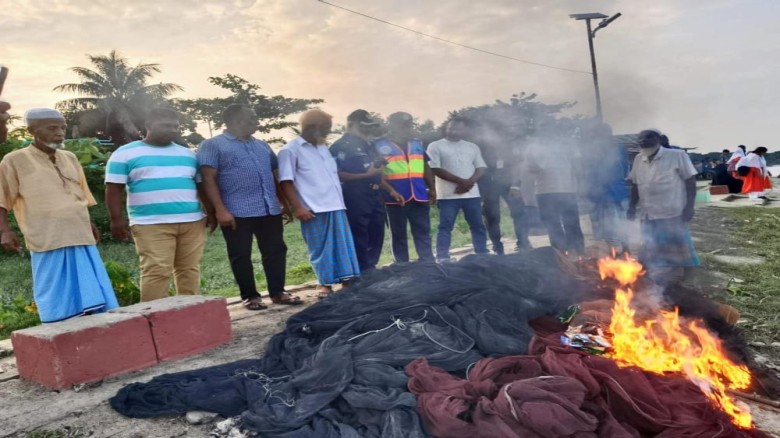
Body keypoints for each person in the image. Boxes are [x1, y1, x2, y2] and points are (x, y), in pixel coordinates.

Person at [0, 108, 118, 322]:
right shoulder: (14, 160)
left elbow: (80, 194)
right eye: (52, 128)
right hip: (46, 237)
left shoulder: (70, 157)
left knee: (90, 286)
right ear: (33, 130)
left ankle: (93, 325)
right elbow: (2, 199)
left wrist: (89, 223)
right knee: (53, 288)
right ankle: (56, 326)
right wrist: (5, 231)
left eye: (62, 127)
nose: (60, 133)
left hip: (79, 233)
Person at [197, 104, 301, 310]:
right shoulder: (212, 145)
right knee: (240, 254)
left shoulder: (262, 145)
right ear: (234, 120)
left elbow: (273, 175)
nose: (256, 121)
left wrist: (283, 203)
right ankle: (250, 296)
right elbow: (208, 179)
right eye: (251, 117)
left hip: (269, 208)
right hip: (235, 210)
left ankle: (278, 292)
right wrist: (220, 210)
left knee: (276, 250)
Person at [106, 108, 212, 303]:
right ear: (148, 126)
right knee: (156, 271)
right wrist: (116, 220)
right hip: (150, 223)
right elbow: (114, 189)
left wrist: (210, 212)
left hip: (192, 222)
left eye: (176, 127)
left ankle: (190, 313)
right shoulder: (125, 153)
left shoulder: (188, 154)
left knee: (189, 269)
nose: (172, 130)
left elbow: (200, 186)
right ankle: (155, 318)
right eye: (166, 126)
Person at [278, 109, 360, 298]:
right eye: (325, 128)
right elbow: (286, 181)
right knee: (320, 249)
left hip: (336, 205)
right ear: (311, 126)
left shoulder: (323, 148)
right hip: (313, 208)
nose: (327, 132)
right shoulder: (290, 150)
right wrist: (298, 207)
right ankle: (325, 286)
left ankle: (347, 283)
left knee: (343, 248)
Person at [628, 129, 699, 287]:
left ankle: (689, 275)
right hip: (647, 212)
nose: (644, 141)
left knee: (679, 244)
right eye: (641, 139)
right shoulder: (639, 159)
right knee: (648, 243)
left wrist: (690, 207)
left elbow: (690, 181)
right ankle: (643, 276)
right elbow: (634, 185)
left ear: (658, 140)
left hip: (671, 210)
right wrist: (631, 206)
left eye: (648, 138)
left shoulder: (677, 155)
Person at [330, 110, 392, 272]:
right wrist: (367, 175)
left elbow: (379, 168)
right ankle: (361, 271)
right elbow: (336, 174)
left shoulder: (370, 144)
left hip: (375, 194)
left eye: (370, 126)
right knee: (359, 234)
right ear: (351, 124)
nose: (368, 129)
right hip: (355, 194)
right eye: (364, 126)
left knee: (377, 232)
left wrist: (388, 187)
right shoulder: (339, 146)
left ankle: (371, 267)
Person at [374, 112, 436, 263]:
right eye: (403, 126)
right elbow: (376, 174)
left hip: (419, 195)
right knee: (399, 234)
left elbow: (425, 166)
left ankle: (428, 263)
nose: (407, 129)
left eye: (409, 125)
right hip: (394, 198)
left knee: (423, 231)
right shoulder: (379, 145)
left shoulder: (416, 143)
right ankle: (402, 266)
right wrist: (390, 191)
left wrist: (432, 188)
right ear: (391, 126)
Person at [427, 116, 488, 261]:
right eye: (450, 128)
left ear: (464, 130)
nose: (453, 131)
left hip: (472, 194)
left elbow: (481, 168)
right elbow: (435, 168)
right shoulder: (435, 146)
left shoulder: (472, 146)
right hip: (448, 195)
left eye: (457, 128)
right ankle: (442, 257)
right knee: (445, 227)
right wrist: (462, 182)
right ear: (446, 128)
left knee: (478, 225)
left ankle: (482, 254)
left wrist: (469, 183)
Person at [524, 125, 585, 256]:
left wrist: (580, 186)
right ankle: (560, 255)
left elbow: (577, 166)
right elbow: (530, 169)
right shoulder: (532, 148)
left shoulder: (568, 144)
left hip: (567, 189)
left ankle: (579, 253)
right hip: (544, 191)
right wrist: (536, 168)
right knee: (552, 225)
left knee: (572, 223)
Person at [477, 132, 532, 255]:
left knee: (519, 213)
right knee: (491, 217)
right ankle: (497, 246)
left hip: (508, 183)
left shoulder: (508, 147)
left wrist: (515, 185)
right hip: (488, 186)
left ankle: (523, 243)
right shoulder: (479, 147)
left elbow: (517, 166)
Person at [584, 123, 629, 251]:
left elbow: (625, 170)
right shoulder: (589, 150)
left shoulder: (619, 148)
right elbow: (586, 172)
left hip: (615, 194)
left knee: (618, 227)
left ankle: (624, 252)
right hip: (597, 195)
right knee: (602, 231)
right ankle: (607, 256)